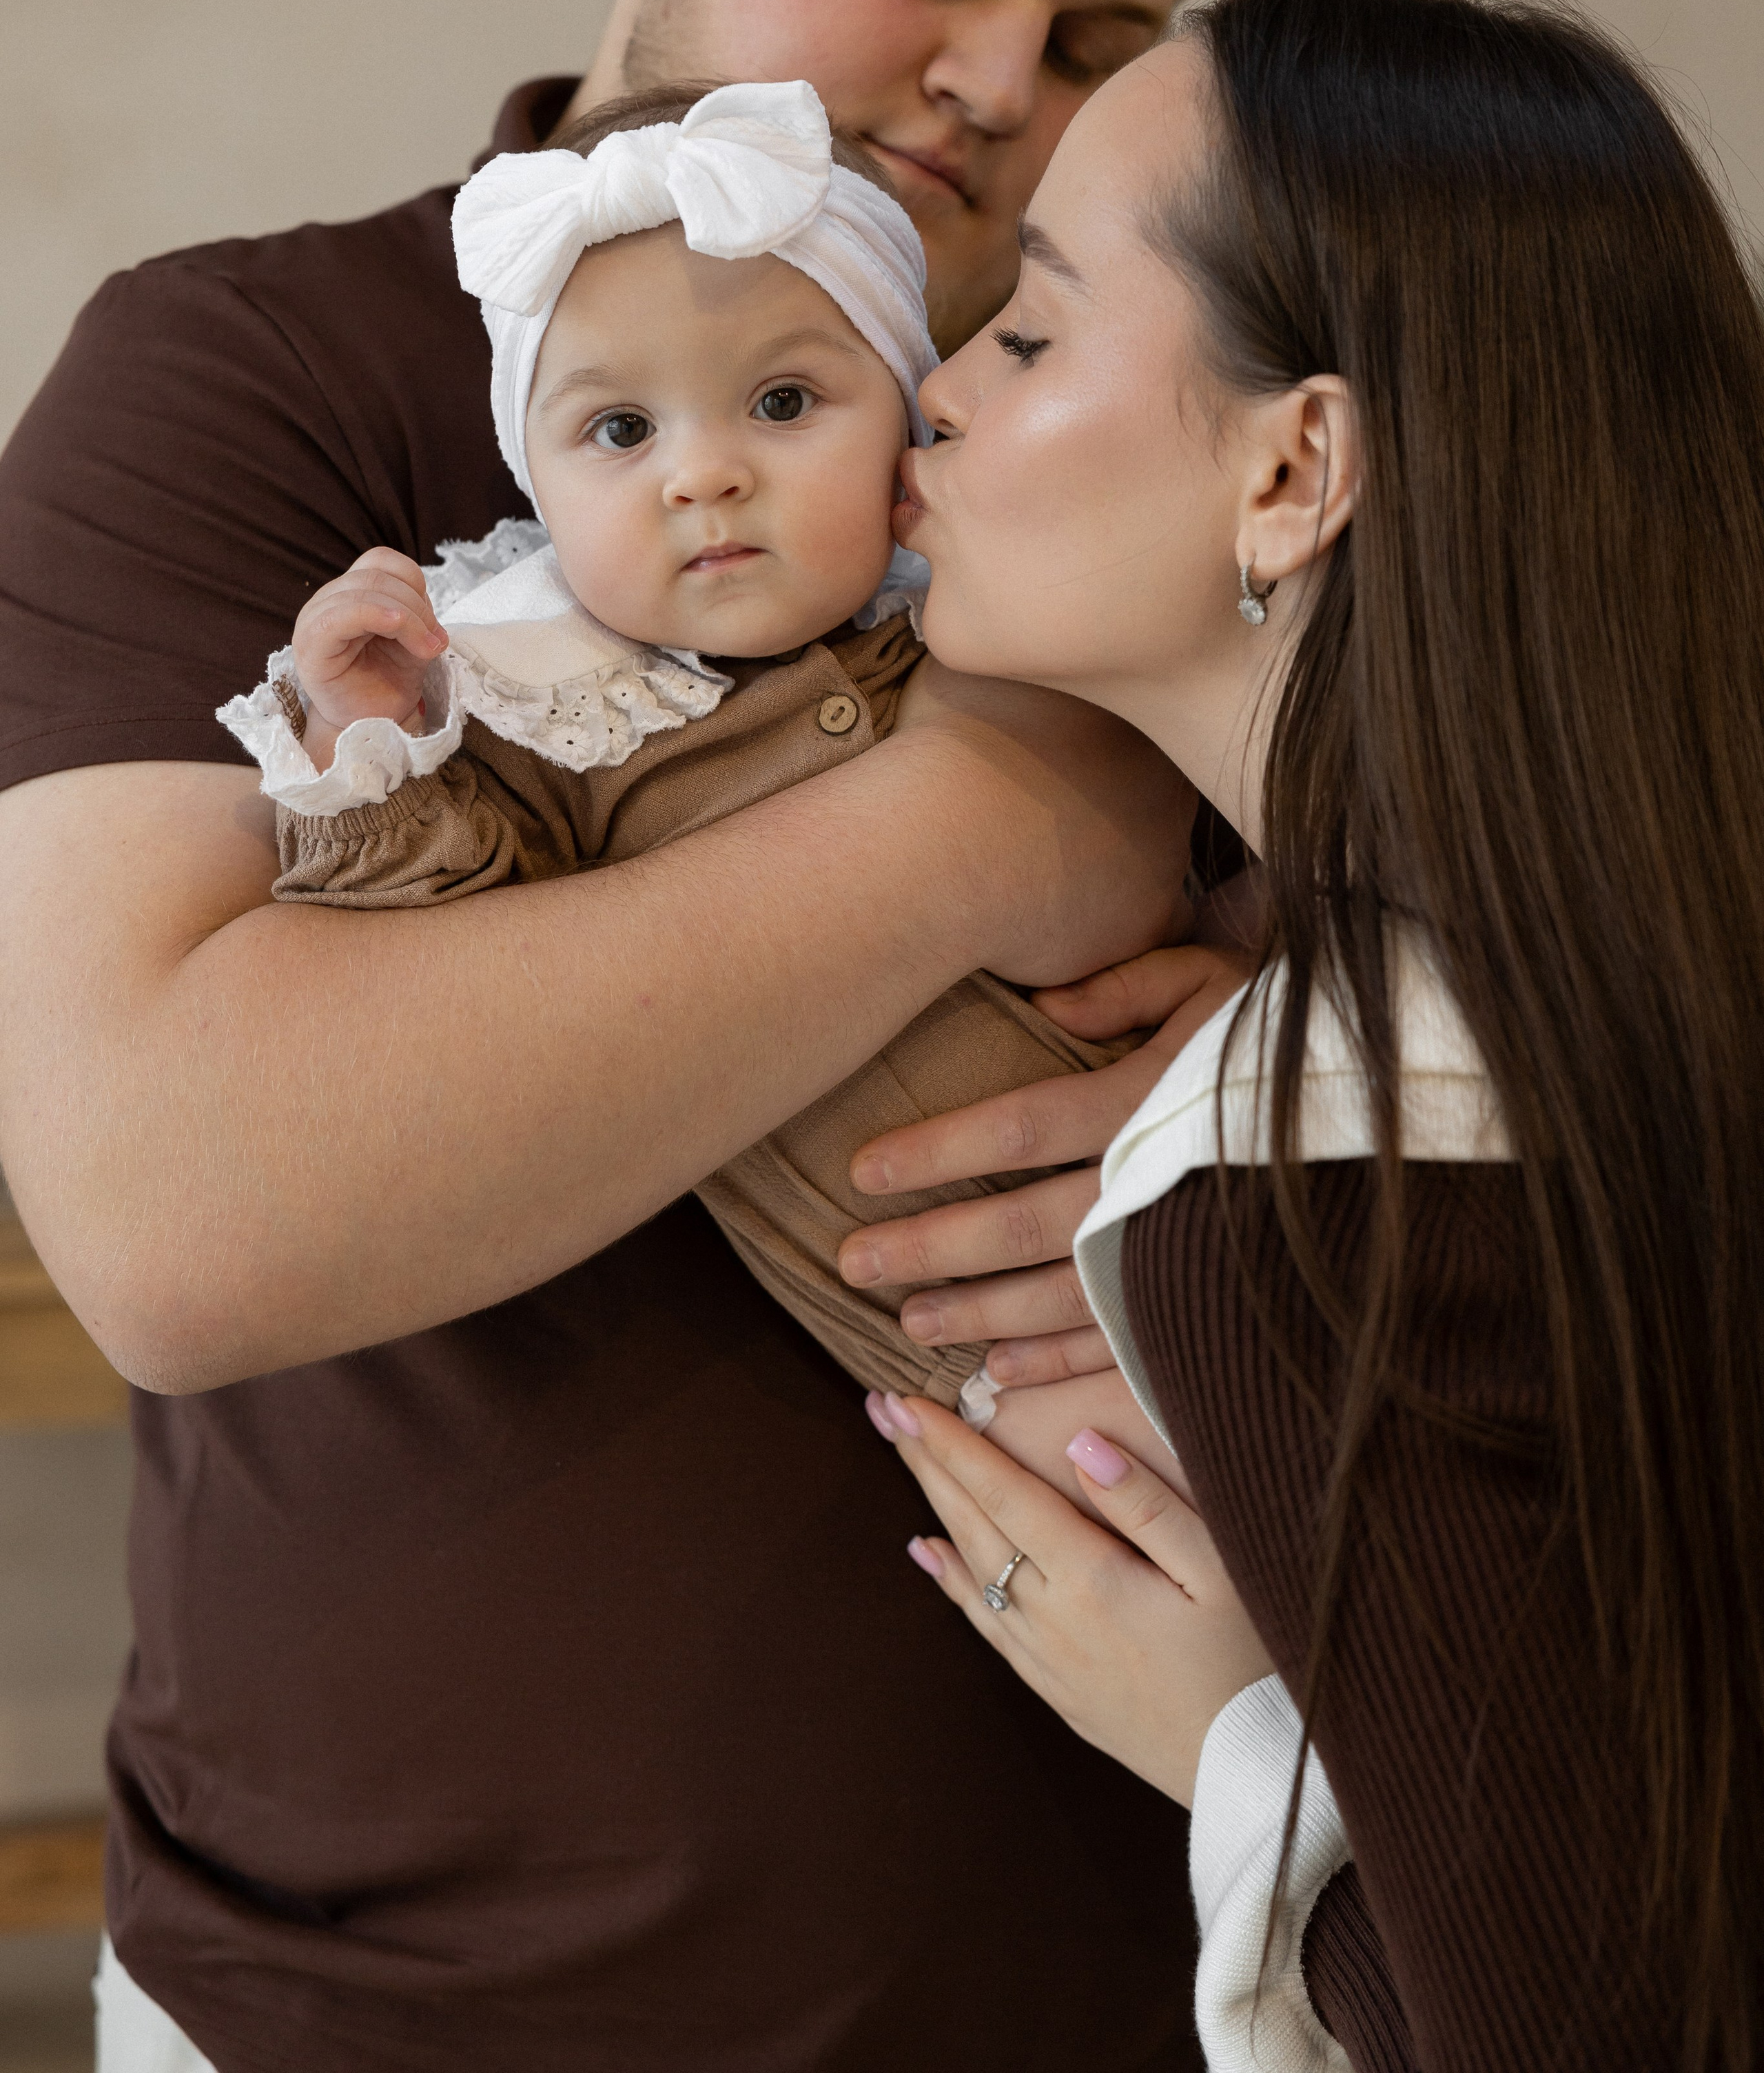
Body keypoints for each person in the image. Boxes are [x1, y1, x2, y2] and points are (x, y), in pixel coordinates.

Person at [0, 0, 1261, 2073]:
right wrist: (982, 831)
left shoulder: (1125, 438)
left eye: (1102, 32)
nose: (1008, 76)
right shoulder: (248, 383)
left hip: (1128, 1986)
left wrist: (1252, 1045)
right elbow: (175, 1211)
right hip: (378, 2016)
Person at [857, 0, 1764, 2070]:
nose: (941, 387)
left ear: (1296, 474)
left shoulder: (1321, 1143)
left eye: (1038, 323)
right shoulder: (1628, 990)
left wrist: (1237, 1759)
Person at [230, 72, 1190, 1492]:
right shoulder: (532, 706)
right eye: (619, 433)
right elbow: (426, 982)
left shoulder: (1009, 599)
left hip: (1239, 1188)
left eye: (785, 400)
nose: (704, 478)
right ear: (533, 485)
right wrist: (370, 746)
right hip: (989, 1362)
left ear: (906, 412)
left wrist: (1269, 965)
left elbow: (1278, 773)